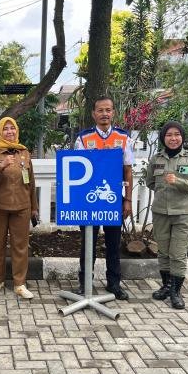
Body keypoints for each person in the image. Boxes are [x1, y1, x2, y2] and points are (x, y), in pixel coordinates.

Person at [74, 96, 133, 300]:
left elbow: (128, 171)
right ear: (93, 114)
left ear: (113, 112)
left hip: (113, 199)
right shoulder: (83, 139)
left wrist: (128, 200)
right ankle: (84, 282)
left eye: (108, 110)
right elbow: (76, 169)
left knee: (113, 243)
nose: (104, 114)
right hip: (88, 201)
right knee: (87, 243)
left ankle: (114, 284)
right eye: (100, 110)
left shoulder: (123, 138)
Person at [0, 117, 38, 299]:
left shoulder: (24, 152)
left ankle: (19, 283)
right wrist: (1, 165)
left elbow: (31, 181)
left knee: (20, 246)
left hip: (22, 206)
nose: (10, 131)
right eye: (6, 129)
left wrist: (34, 207)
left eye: (12, 128)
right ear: (0, 131)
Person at [146, 121, 188, 310]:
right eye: (169, 135)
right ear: (163, 138)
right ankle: (166, 286)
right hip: (161, 212)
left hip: (183, 213)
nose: (173, 138)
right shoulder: (156, 159)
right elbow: (150, 182)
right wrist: (163, 191)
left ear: (182, 137)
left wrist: (178, 182)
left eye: (177, 134)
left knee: (178, 254)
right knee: (163, 251)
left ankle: (176, 292)